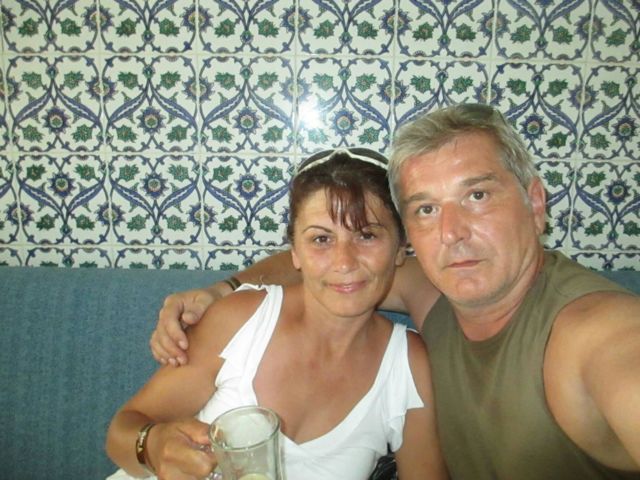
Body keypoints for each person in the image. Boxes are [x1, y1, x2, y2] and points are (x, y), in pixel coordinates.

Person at [151, 104, 640, 479]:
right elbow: (329, 261)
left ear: (534, 203)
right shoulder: (436, 293)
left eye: (477, 195)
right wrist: (224, 288)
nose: (452, 232)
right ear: (409, 241)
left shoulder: (595, 333)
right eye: (427, 209)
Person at [106, 149, 448, 480]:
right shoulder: (241, 318)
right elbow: (122, 430)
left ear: (401, 248)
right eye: (321, 239)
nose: (344, 261)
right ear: (294, 252)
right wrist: (152, 445)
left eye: (367, 235)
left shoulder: (408, 366)